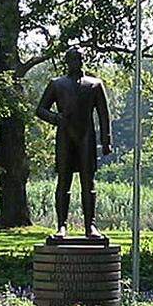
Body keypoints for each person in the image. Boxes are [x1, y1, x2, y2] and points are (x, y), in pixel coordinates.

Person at [35, 46, 112, 239]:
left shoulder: (94, 84)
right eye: (72, 59)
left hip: (86, 136)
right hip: (65, 135)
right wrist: (55, 118)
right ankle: (61, 226)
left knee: (88, 182)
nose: (76, 62)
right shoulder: (57, 84)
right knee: (64, 181)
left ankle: (90, 226)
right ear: (67, 62)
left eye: (79, 59)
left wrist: (106, 140)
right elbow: (40, 109)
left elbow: (104, 114)